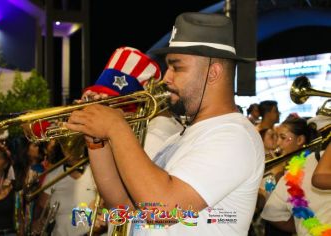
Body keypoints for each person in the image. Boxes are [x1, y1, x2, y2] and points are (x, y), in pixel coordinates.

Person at [66, 12, 264, 235]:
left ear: (213, 73)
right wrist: (97, 140)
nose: (166, 78)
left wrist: (116, 127)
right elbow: (122, 204)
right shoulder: (179, 138)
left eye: (177, 67)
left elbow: (162, 208)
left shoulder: (233, 136)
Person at [261, 116, 331, 236]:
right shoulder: (296, 168)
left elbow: (273, 213)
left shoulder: (296, 170)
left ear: (300, 140)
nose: (278, 143)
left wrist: (301, 227)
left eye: (283, 138)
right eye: (277, 137)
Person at [34, 136, 98, 236]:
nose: (70, 150)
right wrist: (39, 221)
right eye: (65, 147)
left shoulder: (96, 172)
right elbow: (42, 207)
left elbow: (107, 204)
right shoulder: (53, 174)